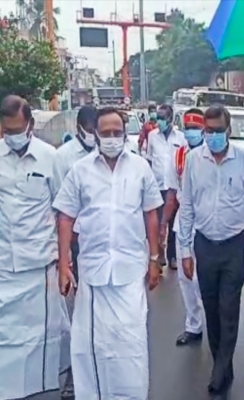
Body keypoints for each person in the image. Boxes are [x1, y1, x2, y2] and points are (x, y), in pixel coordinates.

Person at [53, 106, 163, 399]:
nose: (112, 138)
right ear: (96, 135)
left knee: (131, 343)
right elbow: (65, 216)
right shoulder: (80, 170)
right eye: (106, 133)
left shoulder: (140, 167)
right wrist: (64, 265)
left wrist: (155, 258)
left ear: (125, 133)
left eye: (117, 132)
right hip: (93, 273)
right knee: (92, 346)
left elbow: (151, 213)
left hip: (130, 272)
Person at [178, 104, 244, 400]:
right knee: (210, 308)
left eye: (217, 131)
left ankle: (220, 367)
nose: (211, 137)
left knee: (228, 309)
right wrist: (184, 250)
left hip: (234, 245)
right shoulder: (194, 161)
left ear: (229, 131)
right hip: (204, 244)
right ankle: (223, 362)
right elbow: (186, 207)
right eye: (207, 131)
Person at [0, 95, 68, 400]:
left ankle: (46, 388)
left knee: (43, 336)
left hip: (40, 265)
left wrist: (65, 263)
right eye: (7, 131)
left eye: (17, 129)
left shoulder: (49, 158)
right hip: (4, 264)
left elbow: (63, 210)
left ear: (30, 124)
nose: (12, 136)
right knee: (7, 337)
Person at [52, 104, 98, 399]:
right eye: (93, 131)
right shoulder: (63, 158)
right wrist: (64, 255)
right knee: (76, 311)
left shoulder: (112, 154)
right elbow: (60, 208)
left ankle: (101, 367)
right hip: (76, 240)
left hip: (100, 241)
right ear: (81, 128)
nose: (99, 138)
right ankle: (73, 375)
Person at [162, 108, 206, 346]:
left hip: (208, 225)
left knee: (203, 280)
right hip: (183, 224)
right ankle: (193, 325)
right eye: (188, 128)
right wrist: (163, 226)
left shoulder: (213, 155)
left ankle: (214, 323)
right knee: (185, 278)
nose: (191, 133)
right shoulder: (179, 156)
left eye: (196, 129)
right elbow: (171, 193)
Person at [147, 104, 186, 269]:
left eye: (163, 118)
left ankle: (172, 256)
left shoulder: (180, 138)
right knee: (157, 222)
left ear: (170, 119)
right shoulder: (152, 136)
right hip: (157, 186)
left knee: (171, 221)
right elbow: (149, 159)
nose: (159, 122)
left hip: (174, 186)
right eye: (158, 118)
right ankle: (159, 254)